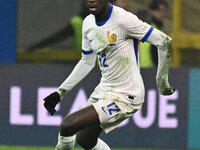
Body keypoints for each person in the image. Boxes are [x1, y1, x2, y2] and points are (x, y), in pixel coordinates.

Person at [43, 0, 175, 149]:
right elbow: (87, 62)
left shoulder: (124, 19)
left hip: (127, 94)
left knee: (68, 125)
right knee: (85, 139)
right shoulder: (88, 23)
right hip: (105, 90)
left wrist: (162, 82)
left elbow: (164, 41)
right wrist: (60, 92)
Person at [149, 0, 169, 66]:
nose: (163, 14)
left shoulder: (158, 29)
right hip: (148, 69)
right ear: (152, 11)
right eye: (159, 11)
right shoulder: (151, 29)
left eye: (164, 11)